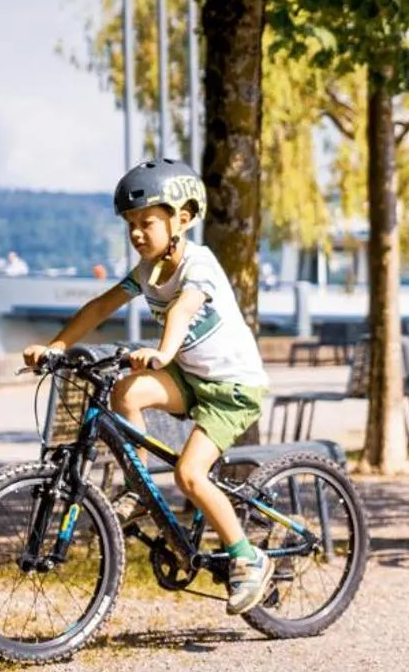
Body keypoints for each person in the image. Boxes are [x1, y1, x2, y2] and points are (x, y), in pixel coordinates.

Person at [21, 158, 276, 614]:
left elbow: (182, 310)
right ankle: (138, 490)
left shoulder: (199, 263)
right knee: (127, 392)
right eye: (131, 225)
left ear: (182, 219)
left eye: (148, 223)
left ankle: (247, 558)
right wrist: (56, 345)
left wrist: (162, 352)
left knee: (190, 475)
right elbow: (101, 306)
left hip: (231, 387)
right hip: (191, 377)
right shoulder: (147, 271)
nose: (137, 233)